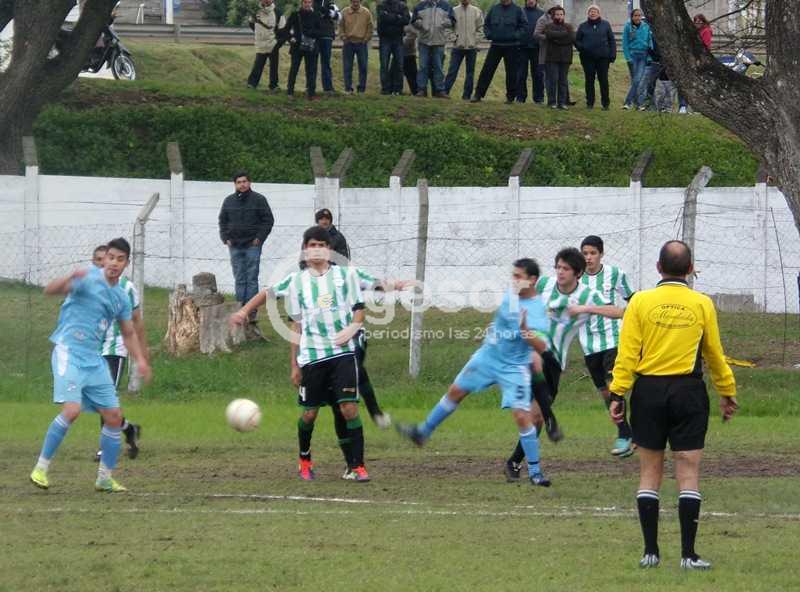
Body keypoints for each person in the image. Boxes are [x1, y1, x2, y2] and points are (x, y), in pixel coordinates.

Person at [608, 240, 738, 570]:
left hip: (648, 392)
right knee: (688, 471)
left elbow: (627, 353)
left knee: (649, 471)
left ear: (658, 267)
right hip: (688, 392)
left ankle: (650, 552)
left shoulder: (640, 302)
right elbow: (714, 353)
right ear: (691, 270)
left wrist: (617, 393)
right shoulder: (701, 303)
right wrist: (726, 391)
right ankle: (688, 555)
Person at [397, 259, 553, 487]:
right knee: (455, 392)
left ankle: (535, 472)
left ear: (532, 280)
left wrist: (525, 331)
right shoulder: (511, 296)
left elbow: (542, 346)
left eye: (519, 277)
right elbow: (501, 322)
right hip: (488, 356)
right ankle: (423, 432)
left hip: (514, 367)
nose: (514, 280)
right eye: (513, 275)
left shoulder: (538, 310)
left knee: (522, 416)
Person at [231, 226, 371, 482]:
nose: (316, 249)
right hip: (312, 358)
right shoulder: (296, 281)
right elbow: (278, 306)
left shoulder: (344, 276)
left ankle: (357, 466)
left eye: (321, 245)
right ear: (305, 250)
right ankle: (305, 459)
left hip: (343, 354)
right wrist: (244, 311)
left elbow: (361, 305)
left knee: (349, 408)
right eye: (312, 245)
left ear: (329, 250)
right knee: (309, 413)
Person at [29, 238, 152, 494]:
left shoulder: (121, 297)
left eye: (120, 259)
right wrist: (67, 278)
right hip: (69, 351)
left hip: (93, 359)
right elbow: (49, 290)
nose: (114, 263)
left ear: (126, 263)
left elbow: (128, 332)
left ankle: (104, 479)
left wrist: (140, 359)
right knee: (72, 410)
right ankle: (40, 468)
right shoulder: (87, 279)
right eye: (111, 258)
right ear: (104, 259)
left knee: (114, 417)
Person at [505, 247, 624, 476]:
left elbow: (619, 312)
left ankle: (514, 461)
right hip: (531, 352)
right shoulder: (545, 284)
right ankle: (545, 419)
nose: (560, 272)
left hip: (555, 361)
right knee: (535, 407)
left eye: (566, 269)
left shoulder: (587, 295)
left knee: (537, 417)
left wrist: (585, 308)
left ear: (578, 273)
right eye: (558, 267)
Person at [578, 235, 635, 458]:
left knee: (614, 387)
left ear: (601, 254)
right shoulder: (575, 278)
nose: (588, 257)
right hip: (589, 344)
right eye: (585, 253)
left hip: (613, 339)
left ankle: (624, 436)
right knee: (604, 392)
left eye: (593, 253)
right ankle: (628, 432)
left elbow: (632, 299)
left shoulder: (615, 274)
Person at [91, 245, 147, 462]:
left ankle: (105, 447)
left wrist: (142, 354)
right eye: (99, 260)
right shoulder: (90, 284)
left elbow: (136, 321)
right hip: (91, 350)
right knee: (98, 401)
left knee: (105, 399)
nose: (104, 263)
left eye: (117, 259)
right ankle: (129, 429)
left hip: (114, 349)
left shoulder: (127, 288)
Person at [218, 171, 275, 323]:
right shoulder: (229, 201)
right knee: (239, 278)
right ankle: (239, 309)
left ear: (249, 182)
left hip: (252, 245)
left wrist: (259, 238)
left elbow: (268, 220)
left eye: (244, 181)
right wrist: (225, 238)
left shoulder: (259, 199)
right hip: (235, 245)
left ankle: (251, 311)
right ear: (235, 184)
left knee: (251, 278)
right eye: (239, 182)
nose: (242, 184)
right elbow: (222, 221)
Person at [470, 0, 527, 104]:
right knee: (487, 70)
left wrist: (515, 36)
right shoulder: (494, 9)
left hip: (512, 46)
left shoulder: (518, 10)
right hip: (496, 45)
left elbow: (524, 26)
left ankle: (510, 97)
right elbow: (486, 24)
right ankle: (478, 94)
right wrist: (489, 35)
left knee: (512, 73)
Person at [411, 0, 455, 98]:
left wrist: (443, 22)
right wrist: (420, 23)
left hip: (439, 41)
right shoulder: (420, 5)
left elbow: (453, 21)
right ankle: (421, 90)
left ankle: (439, 90)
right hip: (424, 41)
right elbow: (413, 21)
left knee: (438, 67)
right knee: (423, 66)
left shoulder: (446, 5)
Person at [575, 4, 615, 110]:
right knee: (589, 80)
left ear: (598, 13)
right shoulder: (582, 26)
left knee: (603, 80)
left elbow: (611, 40)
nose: (593, 13)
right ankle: (590, 103)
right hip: (587, 58)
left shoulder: (606, 25)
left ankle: (605, 104)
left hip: (603, 58)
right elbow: (577, 40)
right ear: (588, 13)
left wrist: (612, 54)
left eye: (595, 11)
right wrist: (582, 48)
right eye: (591, 11)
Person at [443, 0, 483, 101]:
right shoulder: (453, 11)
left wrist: (475, 40)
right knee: (452, 71)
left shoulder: (476, 11)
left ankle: (466, 96)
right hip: (457, 47)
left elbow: (480, 28)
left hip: (471, 47)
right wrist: (454, 38)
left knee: (470, 73)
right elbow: (448, 28)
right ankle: (445, 92)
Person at [285, 0, 323, 99]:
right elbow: (286, 29)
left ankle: (311, 93)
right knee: (294, 69)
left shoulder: (316, 15)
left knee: (311, 71)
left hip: (311, 46)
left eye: (309, 2)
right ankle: (290, 92)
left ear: (312, 3)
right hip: (297, 46)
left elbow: (321, 31)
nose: (307, 4)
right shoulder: (295, 14)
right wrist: (290, 38)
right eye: (305, 2)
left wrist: (310, 33)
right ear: (302, 3)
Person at [246, 0, 286, 92]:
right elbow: (251, 24)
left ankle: (274, 86)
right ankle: (252, 84)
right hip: (260, 44)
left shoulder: (278, 12)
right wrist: (260, 35)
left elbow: (283, 30)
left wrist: (277, 43)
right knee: (258, 65)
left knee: (274, 67)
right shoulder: (256, 11)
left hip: (273, 43)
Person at [677, 14, 712, 114]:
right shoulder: (692, 31)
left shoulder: (706, 31)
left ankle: (696, 107)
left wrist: (699, 59)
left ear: (703, 22)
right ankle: (683, 106)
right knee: (684, 81)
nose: (698, 23)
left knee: (697, 83)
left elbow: (705, 47)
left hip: (698, 60)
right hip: (688, 58)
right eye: (696, 22)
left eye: (700, 21)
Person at [542, 5, 575, 110]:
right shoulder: (548, 26)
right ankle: (552, 102)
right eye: (557, 14)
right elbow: (549, 35)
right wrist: (563, 35)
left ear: (564, 15)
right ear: (553, 16)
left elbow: (571, 38)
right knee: (553, 80)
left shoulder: (569, 26)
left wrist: (557, 39)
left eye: (561, 14)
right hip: (552, 57)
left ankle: (562, 102)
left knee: (563, 81)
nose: (559, 16)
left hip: (566, 57)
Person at [339, 0, 374, 94]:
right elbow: (340, 26)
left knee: (363, 66)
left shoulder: (366, 12)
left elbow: (370, 27)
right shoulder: (344, 12)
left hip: (361, 43)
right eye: (354, 1)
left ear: (360, 2)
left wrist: (366, 39)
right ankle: (348, 88)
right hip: (348, 43)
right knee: (347, 67)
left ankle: (361, 89)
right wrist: (343, 37)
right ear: (351, 2)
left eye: (357, 1)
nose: (355, 3)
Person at [377, 0, 410, 95]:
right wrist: (397, 17)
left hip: (398, 39)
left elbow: (406, 20)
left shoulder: (402, 5)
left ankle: (398, 89)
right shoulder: (381, 5)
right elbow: (382, 18)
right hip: (385, 38)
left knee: (399, 65)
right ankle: (385, 89)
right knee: (384, 65)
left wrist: (389, 16)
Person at [622, 8, 652, 110]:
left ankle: (629, 103)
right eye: (635, 15)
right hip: (632, 56)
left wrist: (649, 56)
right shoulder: (628, 26)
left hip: (643, 56)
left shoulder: (646, 26)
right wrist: (628, 57)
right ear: (632, 17)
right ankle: (637, 104)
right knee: (636, 80)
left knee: (637, 80)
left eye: (639, 15)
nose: (637, 17)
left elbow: (649, 42)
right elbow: (625, 43)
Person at [515, 0, 544, 104]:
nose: (531, 1)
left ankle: (539, 98)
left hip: (537, 48)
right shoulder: (519, 12)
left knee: (538, 74)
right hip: (521, 48)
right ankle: (520, 97)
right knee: (521, 74)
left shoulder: (542, 14)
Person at [313, 0, 341, 95]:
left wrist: (328, 12)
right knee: (312, 63)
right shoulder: (311, 2)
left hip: (326, 35)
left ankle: (328, 88)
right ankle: (311, 87)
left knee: (326, 63)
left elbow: (339, 16)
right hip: (314, 35)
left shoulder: (330, 2)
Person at [400, 18, 419, 94]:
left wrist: (399, 42)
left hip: (409, 53)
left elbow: (413, 34)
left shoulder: (410, 19)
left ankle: (415, 91)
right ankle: (395, 89)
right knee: (396, 72)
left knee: (412, 74)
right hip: (400, 52)